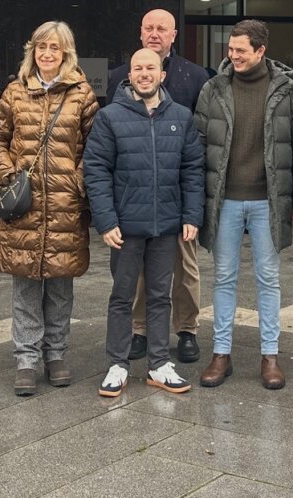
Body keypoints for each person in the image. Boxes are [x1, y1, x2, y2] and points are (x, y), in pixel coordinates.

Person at [0, 21, 99, 397]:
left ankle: (56, 354)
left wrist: (77, 183)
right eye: (41, 47)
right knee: (26, 285)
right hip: (25, 207)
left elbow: (95, 148)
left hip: (65, 205)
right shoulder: (15, 92)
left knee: (60, 286)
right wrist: (7, 175)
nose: (48, 54)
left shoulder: (82, 95)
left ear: (67, 53)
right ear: (32, 51)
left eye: (56, 48)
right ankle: (26, 359)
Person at [84, 48, 204, 398]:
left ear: (162, 74)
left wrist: (191, 215)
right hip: (125, 227)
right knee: (122, 296)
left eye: (151, 67)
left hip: (167, 226)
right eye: (138, 68)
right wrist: (105, 221)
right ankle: (117, 364)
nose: (144, 73)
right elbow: (96, 171)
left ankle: (158, 364)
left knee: (159, 296)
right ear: (129, 75)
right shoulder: (109, 118)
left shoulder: (181, 117)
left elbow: (192, 170)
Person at [195, 19, 293, 391]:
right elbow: (199, 144)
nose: (233, 55)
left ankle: (270, 356)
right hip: (224, 200)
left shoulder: (287, 91)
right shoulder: (213, 88)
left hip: (267, 202)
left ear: (260, 51)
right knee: (223, 278)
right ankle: (221, 354)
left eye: (241, 50)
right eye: (230, 49)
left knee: (268, 279)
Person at [105, 8, 210, 365]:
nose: (154, 33)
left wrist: (193, 205)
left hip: (175, 196)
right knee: (134, 274)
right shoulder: (119, 76)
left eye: (161, 28)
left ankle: (187, 330)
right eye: (148, 27)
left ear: (174, 34)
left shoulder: (195, 77)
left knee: (185, 267)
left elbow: (199, 146)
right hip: (133, 198)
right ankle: (139, 330)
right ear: (140, 33)